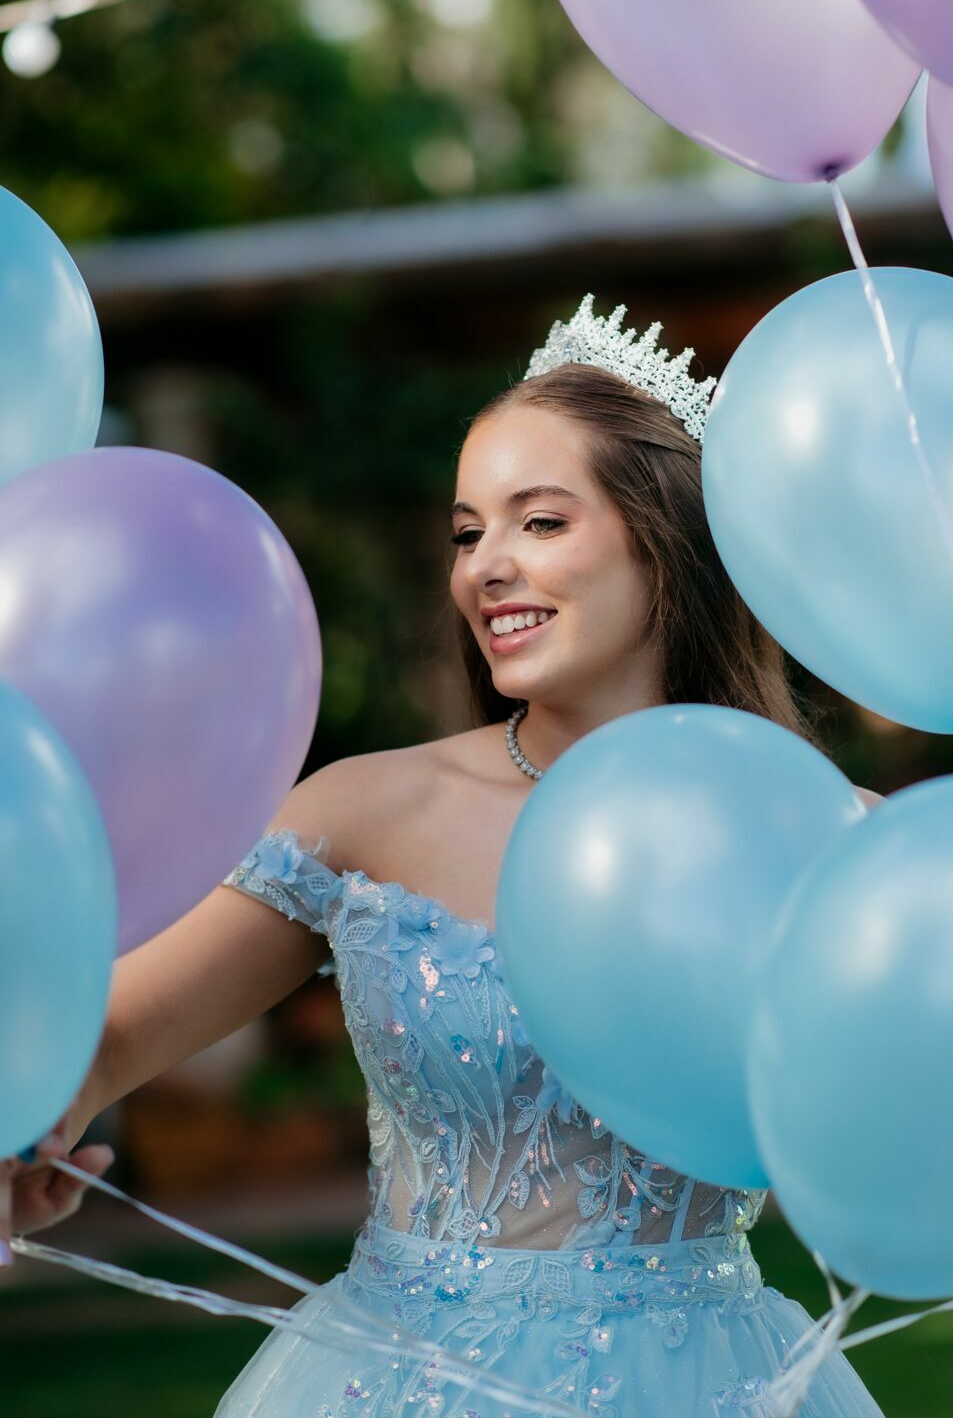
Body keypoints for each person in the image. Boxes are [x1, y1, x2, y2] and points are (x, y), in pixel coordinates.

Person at [1, 297, 884, 1417]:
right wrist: (27, 1134)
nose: (486, 569)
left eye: (541, 522)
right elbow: (106, 1034)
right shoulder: (368, 808)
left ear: (666, 537)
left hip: (716, 1381)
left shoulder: (828, 832)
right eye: (469, 533)